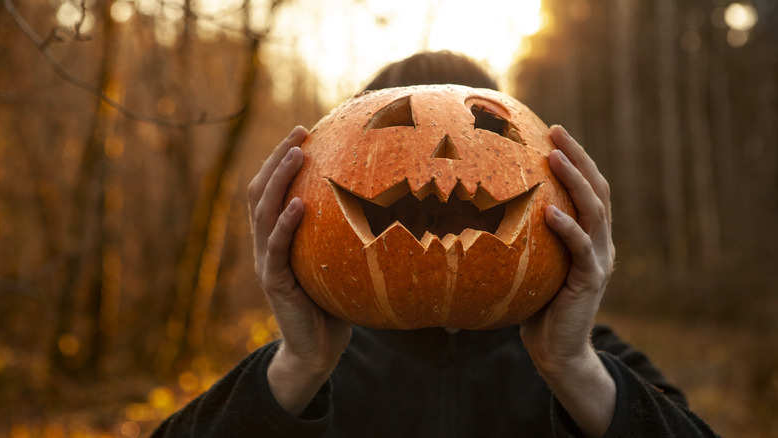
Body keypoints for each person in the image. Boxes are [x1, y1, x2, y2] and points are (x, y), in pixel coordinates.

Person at [152, 52, 718, 437]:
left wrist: (572, 368)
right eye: (394, 127)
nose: (446, 152)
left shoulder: (593, 362)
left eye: (489, 129)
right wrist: (298, 367)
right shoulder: (304, 370)